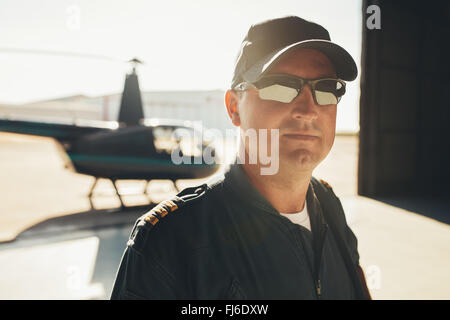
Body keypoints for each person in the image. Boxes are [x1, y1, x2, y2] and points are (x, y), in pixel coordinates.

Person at [111, 16, 371, 300]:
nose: (308, 110)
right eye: (280, 86)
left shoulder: (329, 206)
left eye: (326, 88)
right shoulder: (169, 241)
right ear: (234, 107)